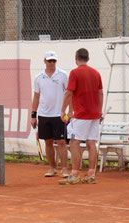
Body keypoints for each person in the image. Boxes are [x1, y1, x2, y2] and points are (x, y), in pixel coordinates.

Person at [59, 48, 103, 185]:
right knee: (91, 143)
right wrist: (99, 111)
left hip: (81, 115)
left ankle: (75, 175)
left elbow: (68, 93)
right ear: (88, 58)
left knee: (74, 142)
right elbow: (100, 93)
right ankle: (91, 175)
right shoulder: (96, 73)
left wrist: (62, 111)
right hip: (94, 114)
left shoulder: (74, 72)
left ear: (76, 58)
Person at [31, 50, 72, 178]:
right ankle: (52, 168)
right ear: (45, 61)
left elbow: (69, 93)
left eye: (54, 60)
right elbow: (36, 96)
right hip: (43, 115)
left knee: (61, 142)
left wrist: (70, 111)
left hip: (59, 115)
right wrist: (33, 115)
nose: (52, 63)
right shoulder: (38, 77)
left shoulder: (63, 75)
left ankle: (64, 168)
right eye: (49, 60)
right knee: (48, 142)